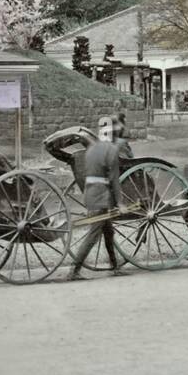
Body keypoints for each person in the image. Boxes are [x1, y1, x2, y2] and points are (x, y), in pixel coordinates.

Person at [68, 116, 123, 279]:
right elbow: (114, 179)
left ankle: (115, 266)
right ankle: (74, 270)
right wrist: (120, 202)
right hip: (101, 196)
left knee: (108, 232)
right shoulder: (111, 150)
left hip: (90, 194)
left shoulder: (91, 150)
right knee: (93, 235)